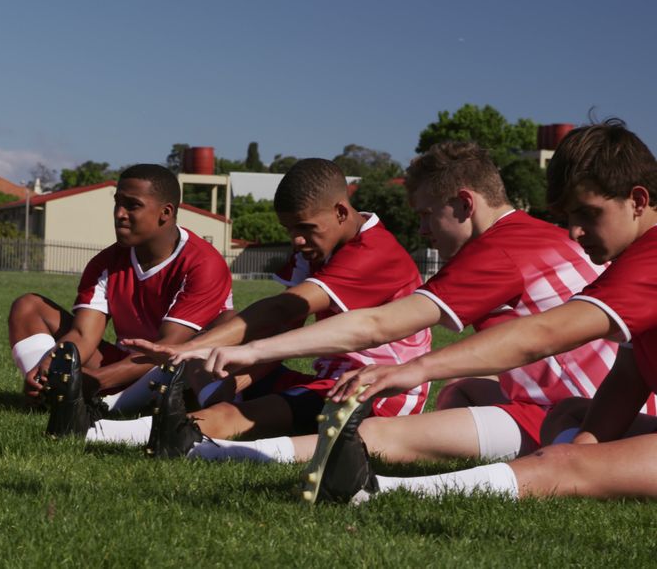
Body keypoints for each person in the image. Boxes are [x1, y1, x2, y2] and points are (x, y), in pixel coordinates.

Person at [162, 141, 618, 467]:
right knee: (461, 387)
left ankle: (218, 452)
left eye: (425, 214)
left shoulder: (496, 252)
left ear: (464, 203)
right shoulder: (539, 234)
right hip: (612, 406)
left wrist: (254, 350)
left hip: (575, 418)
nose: (421, 230)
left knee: (363, 435)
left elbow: (377, 325)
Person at [312, 120, 657, 503]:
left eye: (589, 214)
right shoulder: (634, 258)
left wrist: (416, 369)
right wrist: (589, 445)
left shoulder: (651, 257)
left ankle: (377, 492)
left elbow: (543, 334)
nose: (575, 231)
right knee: (569, 416)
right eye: (570, 218)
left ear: (638, 201)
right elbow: (628, 379)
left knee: (564, 463)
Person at [92, 158, 431, 456]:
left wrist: (192, 349)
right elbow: (285, 328)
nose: (296, 240)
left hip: (380, 393)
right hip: (332, 380)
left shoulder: (375, 251)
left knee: (227, 409)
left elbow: (281, 309)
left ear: (341, 211)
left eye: (305, 228)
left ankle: (96, 428)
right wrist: (229, 373)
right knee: (213, 349)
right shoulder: (318, 245)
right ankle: (122, 405)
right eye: (289, 229)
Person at [6, 164, 233, 436]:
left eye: (132, 206)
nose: (119, 214)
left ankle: (98, 403)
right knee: (28, 307)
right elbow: (82, 335)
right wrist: (49, 366)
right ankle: (55, 397)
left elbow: (169, 348)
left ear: (166, 213)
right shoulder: (106, 262)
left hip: (180, 370)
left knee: (223, 328)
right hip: (126, 367)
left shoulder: (203, 262)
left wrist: (94, 381)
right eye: (117, 204)